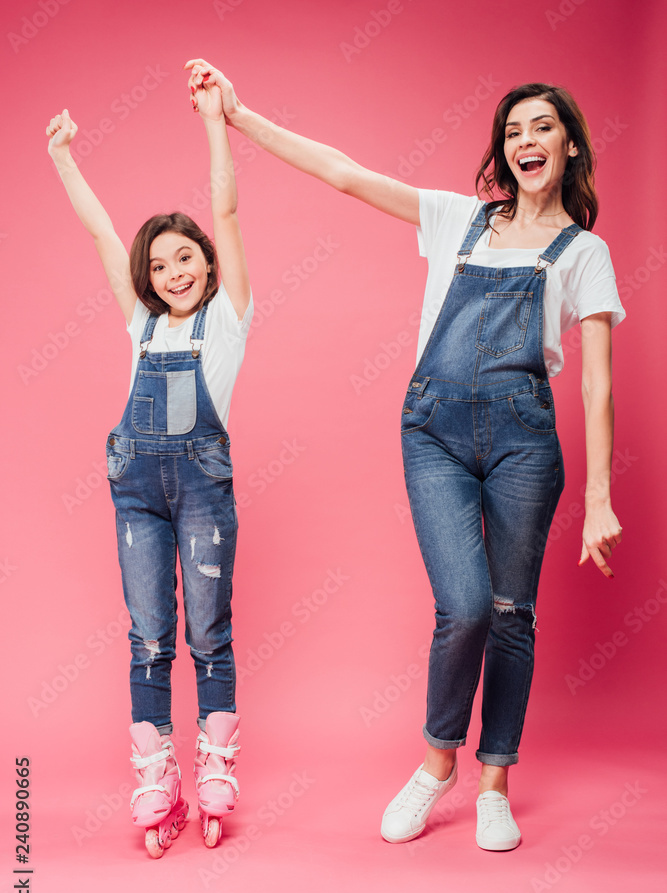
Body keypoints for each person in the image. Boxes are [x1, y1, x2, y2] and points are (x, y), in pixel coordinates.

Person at [185, 60, 625, 850]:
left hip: (526, 440)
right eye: (513, 130)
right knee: (462, 607)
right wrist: (240, 115)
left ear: (568, 151)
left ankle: (495, 780)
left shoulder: (581, 253)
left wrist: (598, 497)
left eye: (542, 129)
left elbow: (596, 386)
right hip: (434, 432)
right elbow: (345, 175)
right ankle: (435, 764)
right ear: (504, 150)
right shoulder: (459, 218)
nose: (526, 141)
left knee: (510, 612)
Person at [46, 71, 253, 858]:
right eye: (158, 262)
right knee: (147, 638)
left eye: (185, 256)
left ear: (206, 261)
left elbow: (227, 208)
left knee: (209, 633)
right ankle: (155, 772)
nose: (172, 271)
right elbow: (103, 234)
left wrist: (213, 122)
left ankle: (216, 763)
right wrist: (65, 158)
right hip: (137, 499)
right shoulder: (140, 329)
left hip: (202, 498)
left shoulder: (228, 322)